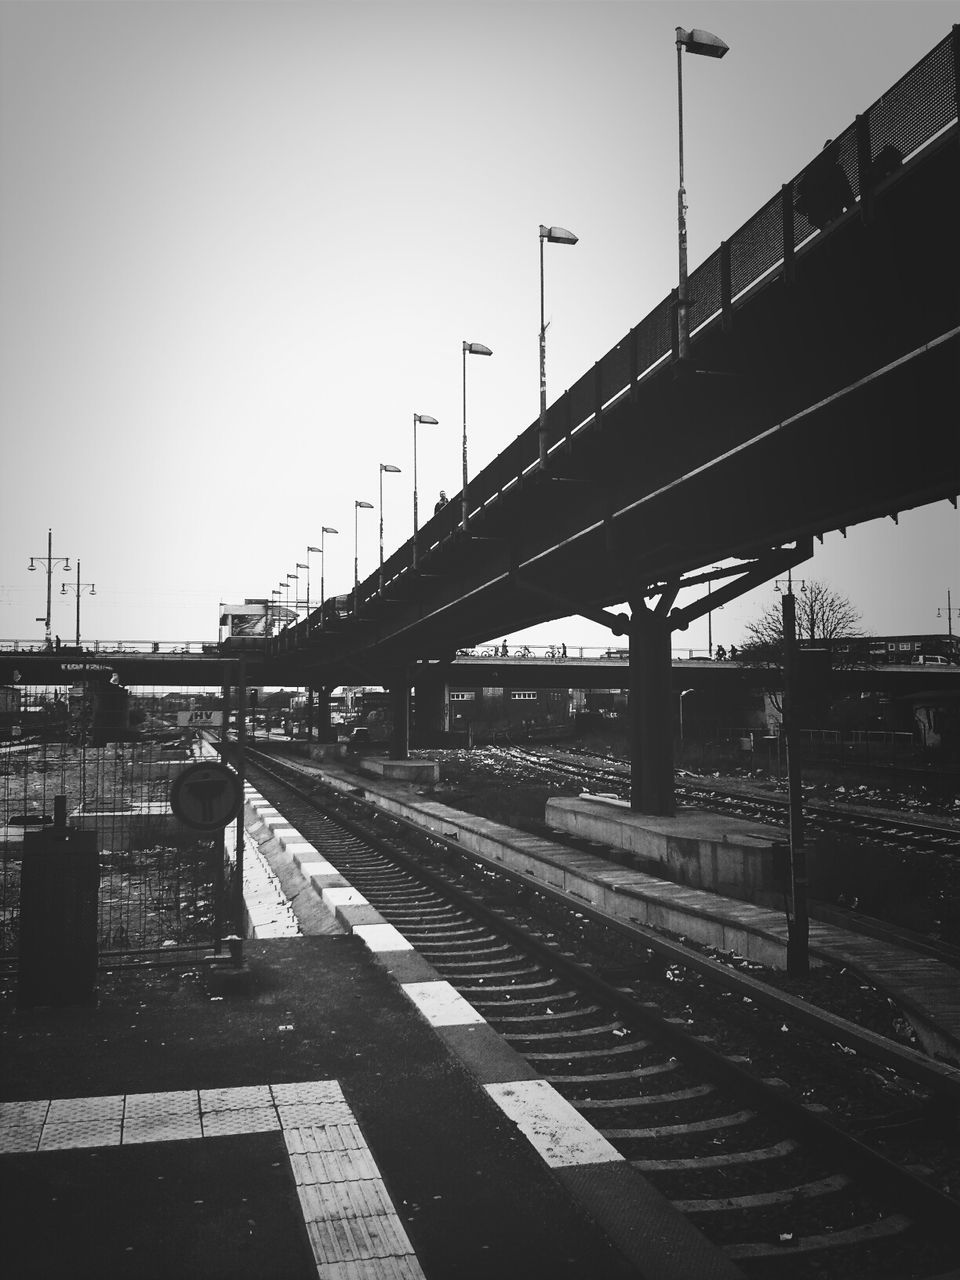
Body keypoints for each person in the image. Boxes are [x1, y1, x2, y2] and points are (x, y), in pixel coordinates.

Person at [795, 139, 854, 231]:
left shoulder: (812, 169)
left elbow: (799, 189)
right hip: (831, 210)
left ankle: (829, 222)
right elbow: (847, 193)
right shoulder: (836, 170)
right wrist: (852, 208)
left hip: (818, 216)